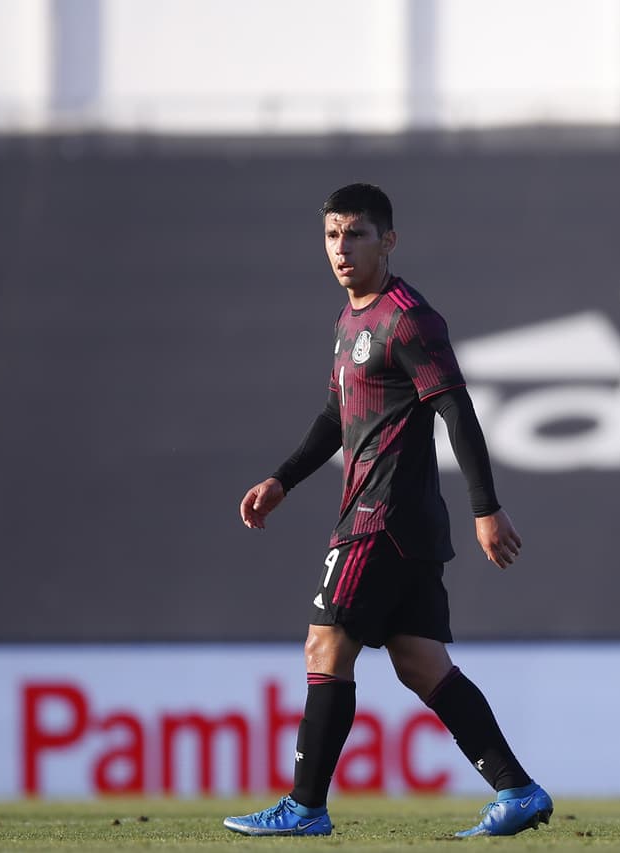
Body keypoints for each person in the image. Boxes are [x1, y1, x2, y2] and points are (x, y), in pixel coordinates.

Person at [222, 183, 552, 838]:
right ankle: (518, 789)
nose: (341, 249)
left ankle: (304, 805)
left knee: (325, 643)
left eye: (357, 234)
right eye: (332, 235)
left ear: (388, 240)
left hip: (383, 517)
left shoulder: (407, 318)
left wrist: (487, 507)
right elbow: (334, 416)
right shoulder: (350, 323)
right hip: (405, 525)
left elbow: (456, 408)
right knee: (420, 663)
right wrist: (283, 479)